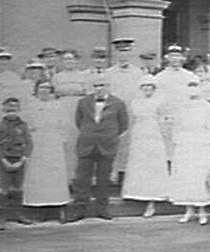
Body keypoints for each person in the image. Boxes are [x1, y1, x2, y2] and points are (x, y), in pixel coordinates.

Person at [69, 76, 129, 221]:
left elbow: (123, 125)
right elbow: (79, 121)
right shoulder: (83, 102)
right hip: (87, 144)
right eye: (96, 85)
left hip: (106, 145)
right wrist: (89, 133)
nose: (99, 88)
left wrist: (109, 136)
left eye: (102, 85)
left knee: (103, 178)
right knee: (82, 179)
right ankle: (79, 209)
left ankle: (102, 209)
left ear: (108, 86)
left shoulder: (118, 103)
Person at [169, 77, 210, 225]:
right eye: (189, 87)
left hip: (200, 142)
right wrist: (177, 140)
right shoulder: (180, 107)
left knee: (199, 176)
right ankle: (188, 210)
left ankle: (202, 211)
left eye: (195, 86)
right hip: (185, 143)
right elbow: (176, 126)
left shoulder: (207, 107)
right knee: (186, 176)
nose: (192, 90)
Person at [22, 79, 71, 222]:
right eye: (41, 88)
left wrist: (60, 140)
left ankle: (58, 208)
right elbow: (26, 124)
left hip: (53, 143)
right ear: (36, 89)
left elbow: (65, 125)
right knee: (38, 175)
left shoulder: (58, 105)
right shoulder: (30, 105)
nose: (44, 91)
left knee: (55, 175)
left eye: (47, 88)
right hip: (36, 143)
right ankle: (38, 209)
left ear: (51, 91)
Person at [121, 75, 169, 218]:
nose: (147, 88)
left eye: (150, 86)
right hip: (139, 134)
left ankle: (152, 200)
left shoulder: (160, 101)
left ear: (154, 88)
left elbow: (164, 120)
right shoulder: (135, 102)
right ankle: (136, 193)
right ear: (141, 88)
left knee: (152, 165)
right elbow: (132, 119)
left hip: (154, 133)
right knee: (139, 164)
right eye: (144, 86)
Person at [105, 38, 143, 183]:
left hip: (131, 111)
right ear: (115, 54)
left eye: (126, 52)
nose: (123, 56)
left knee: (131, 141)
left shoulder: (138, 73)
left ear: (131, 53)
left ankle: (128, 172)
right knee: (114, 141)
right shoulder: (109, 73)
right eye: (120, 52)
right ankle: (113, 171)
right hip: (114, 111)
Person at [155, 44, 198, 163]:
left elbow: (195, 98)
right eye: (172, 56)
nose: (175, 59)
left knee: (185, 148)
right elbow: (157, 99)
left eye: (178, 56)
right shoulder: (159, 78)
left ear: (183, 58)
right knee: (167, 149)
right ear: (167, 58)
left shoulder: (190, 77)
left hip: (185, 117)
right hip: (167, 119)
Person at [52, 50, 88, 182]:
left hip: (78, 107)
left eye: (71, 59)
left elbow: (86, 93)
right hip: (62, 108)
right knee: (64, 140)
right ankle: (65, 176)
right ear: (62, 62)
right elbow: (54, 94)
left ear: (76, 61)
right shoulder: (57, 77)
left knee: (77, 140)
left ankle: (78, 176)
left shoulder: (83, 76)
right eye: (66, 60)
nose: (69, 62)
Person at [0, 97, 33, 228]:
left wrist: (23, 158)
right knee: (3, 188)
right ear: (3, 110)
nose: (11, 112)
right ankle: (2, 217)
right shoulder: (1, 125)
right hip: (4, 160)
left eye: (14, 109)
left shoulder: (23, 125)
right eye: (9, 109)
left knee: (18, 187)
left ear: (18, 110)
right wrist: (3, 160)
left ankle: (17, 214)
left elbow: (29, 142)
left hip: (19, 159)